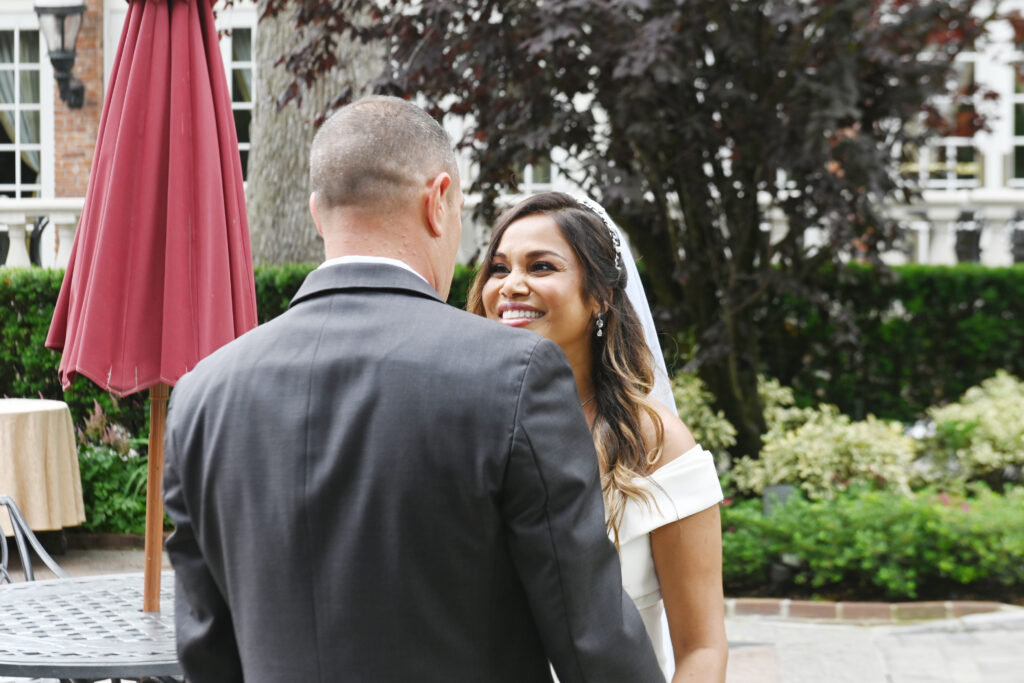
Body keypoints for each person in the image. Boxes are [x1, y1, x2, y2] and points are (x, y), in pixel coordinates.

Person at [162, 97, 663, 683]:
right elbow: (590, 638)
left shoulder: (202, 393)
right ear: (437, 201)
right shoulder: (517, 374)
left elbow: (204, 649)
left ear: (318, 215)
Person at [468, 192, 729, 682]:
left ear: (601, 295)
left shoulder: (655, 444)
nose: (512, 286)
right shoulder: (461, 425)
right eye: (499, 268)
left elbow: (702, 648)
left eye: (541, 267)